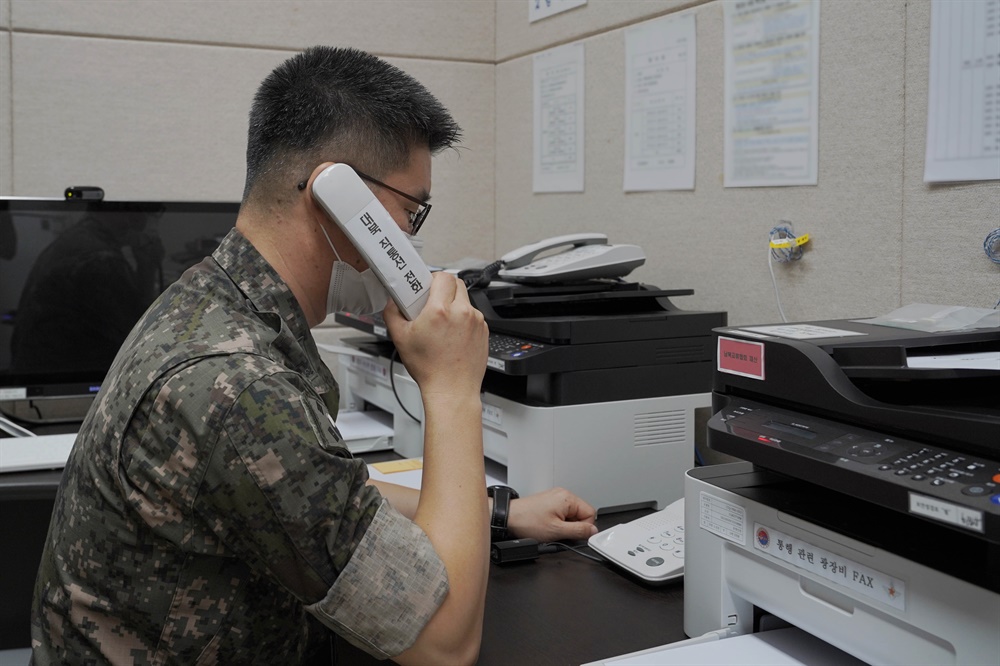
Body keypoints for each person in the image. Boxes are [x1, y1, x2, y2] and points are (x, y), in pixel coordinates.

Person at [31, 46, 598, 665]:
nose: (410, 241)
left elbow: (327, 497)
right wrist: (453, 387)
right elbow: (445, 642)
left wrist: (502, 512)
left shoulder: (212, 300)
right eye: (410, 212)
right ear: (340, 199)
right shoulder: (237, 383)